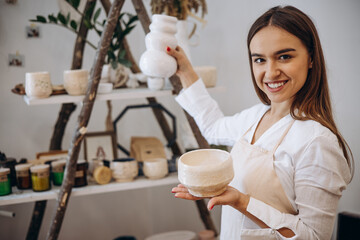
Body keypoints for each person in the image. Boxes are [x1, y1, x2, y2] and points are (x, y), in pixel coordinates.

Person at [168, 5, 354, 240]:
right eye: (259, 60)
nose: (270, 72)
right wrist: (185, 70)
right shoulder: (256, 116)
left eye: (284, 56)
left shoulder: (316, 141)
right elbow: (213, 127)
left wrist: (242, 202)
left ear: (311, 58)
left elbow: (314, 235)